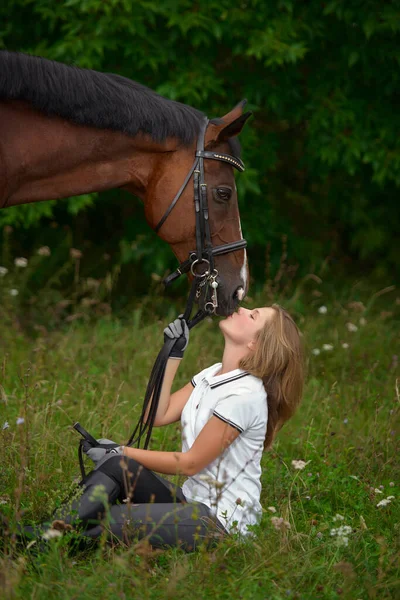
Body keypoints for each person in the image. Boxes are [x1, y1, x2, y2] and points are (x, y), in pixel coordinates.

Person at [22, 304, 304, 552]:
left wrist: (121, 449)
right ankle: (46, 532)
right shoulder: (213, 373)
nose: (241, 308)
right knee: (117, 466)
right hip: (191, 502)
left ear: (256, 343)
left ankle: (44, 546)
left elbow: (190, 464)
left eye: (252, 315)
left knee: (114, 519)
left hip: (221, 521)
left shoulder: (245, 395)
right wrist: (173, 353)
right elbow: (156, 415)